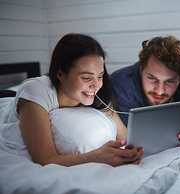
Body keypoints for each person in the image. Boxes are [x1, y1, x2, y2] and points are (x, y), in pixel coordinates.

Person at [0, 33, 143, 167]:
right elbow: (46, 159)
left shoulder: (98, 92)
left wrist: (131, 153)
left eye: (100, 76)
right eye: (87, 78)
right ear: (61, 74)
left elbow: (124, 137)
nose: (96, 85)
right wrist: (97, 156)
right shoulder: (35, 91)